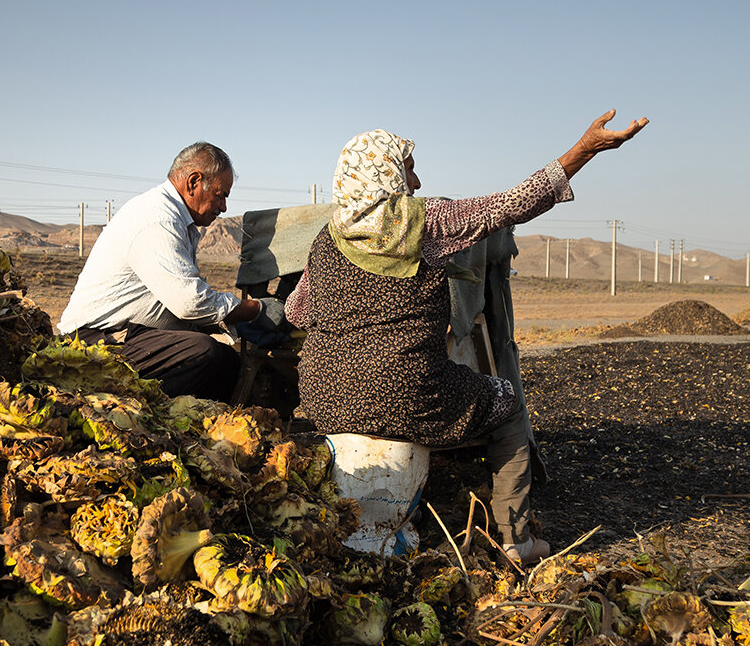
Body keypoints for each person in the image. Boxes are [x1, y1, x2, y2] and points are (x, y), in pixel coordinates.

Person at [285, 111, 649, 564]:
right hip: (406, 395)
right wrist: (585, 150)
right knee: (505, 400)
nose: (415, 181)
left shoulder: (327, 238)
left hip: (324, 398)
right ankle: (516, 539)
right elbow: (513, 204)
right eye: (408, 167)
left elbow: (297, 311)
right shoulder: (424, 223)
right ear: (385, 173)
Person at [57, 142, 287, 401]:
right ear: (193, 182)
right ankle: (143, 414)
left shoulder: (178, 220)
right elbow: (189, 302)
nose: (223, 207)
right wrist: (255, 310)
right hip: (93, 343)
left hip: (125, 336)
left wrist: (230, 321)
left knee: (227, 364)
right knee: (203, 352)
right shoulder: (159, 218)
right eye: (220, 194)